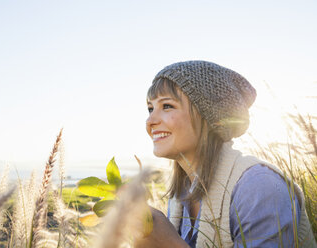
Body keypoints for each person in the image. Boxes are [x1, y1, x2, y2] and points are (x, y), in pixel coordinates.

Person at [135, 61, 316, 248]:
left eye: (167, 106)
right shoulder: (181, 196)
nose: (150, 121)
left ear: (208, 116)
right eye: (150, 108)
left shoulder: (258, 187)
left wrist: (170, 244)